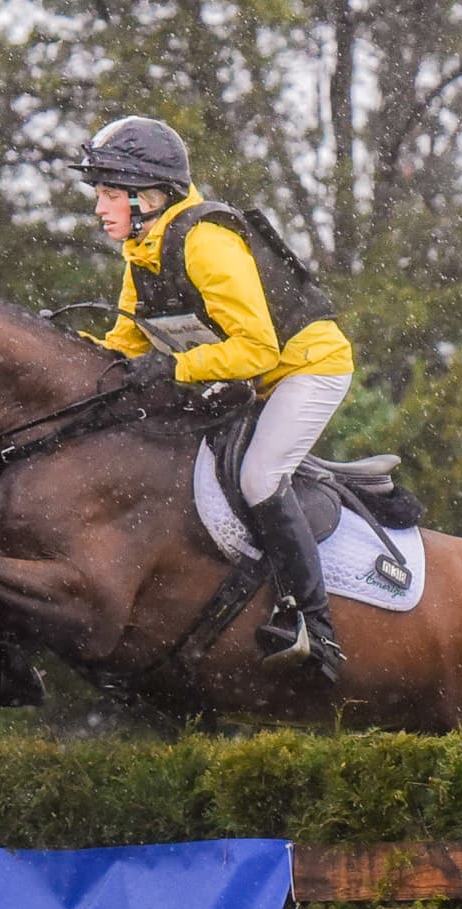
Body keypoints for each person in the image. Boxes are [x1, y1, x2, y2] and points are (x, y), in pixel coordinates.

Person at [70, 115, 355, 681]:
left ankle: (315, 627)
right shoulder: (142, 251)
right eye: (99, 194)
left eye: (109, 195)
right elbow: (123, 347)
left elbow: (257, 350)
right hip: (243, 378)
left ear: (148, 196)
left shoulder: (205, 242)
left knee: (259, 478)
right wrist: (52, 349)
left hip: (306, 368)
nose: (99, 208)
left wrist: (175, 367)